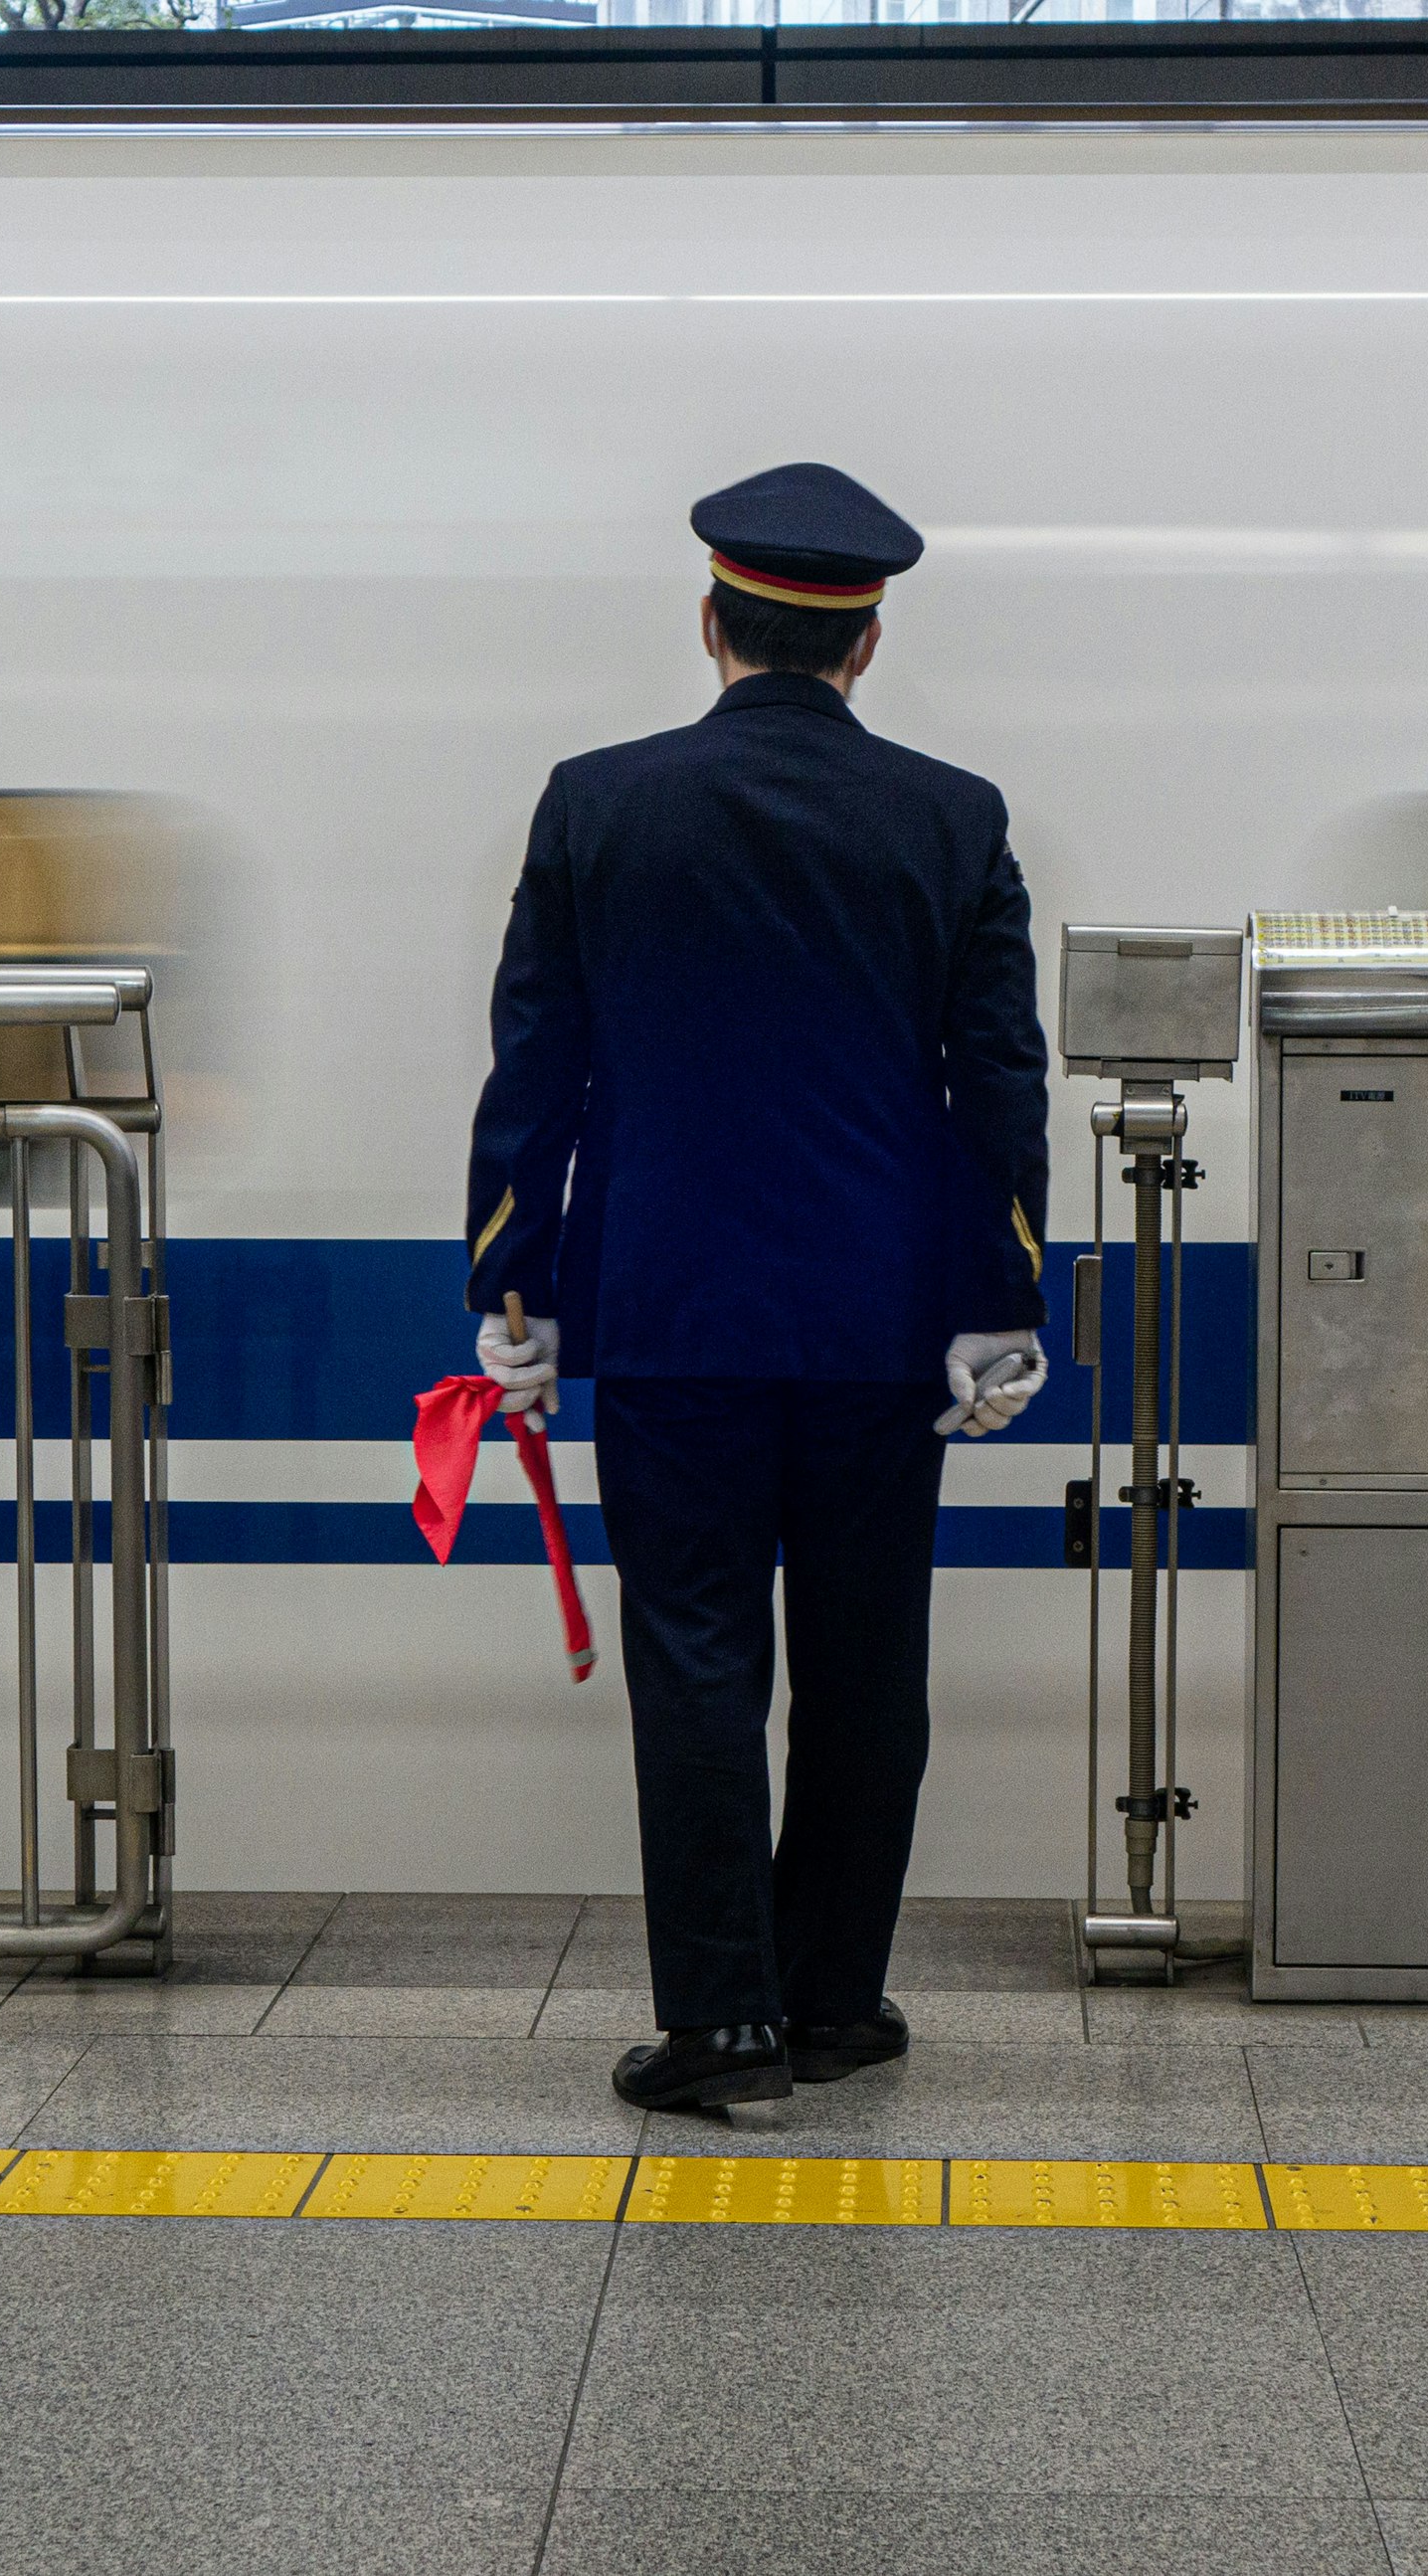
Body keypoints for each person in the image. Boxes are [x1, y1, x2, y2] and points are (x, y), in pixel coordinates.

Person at [460, 461, 1054, 2114]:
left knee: (701, 1661)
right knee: (870, 1665)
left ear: (711, 620)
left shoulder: (597, 802)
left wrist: (514, 1288)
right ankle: (836, 1996)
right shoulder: (955, 817)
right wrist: (1006, 1308)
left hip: (672, 1317)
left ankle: (722, 2023)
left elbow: (538, 1073)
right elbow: (999, 1084)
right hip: (882, 1328)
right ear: (863, 645)